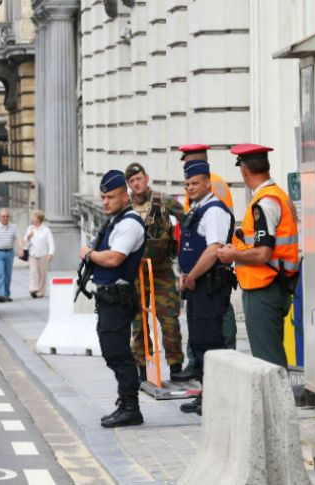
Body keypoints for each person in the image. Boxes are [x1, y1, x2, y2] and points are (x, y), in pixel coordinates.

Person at [217, 144, 299, 370]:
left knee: (268, 363)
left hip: (264, 288)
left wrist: (233, 254)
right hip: (273, 285)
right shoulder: (278, 195)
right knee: (270, 357)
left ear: (244, 170)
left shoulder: (264, 202)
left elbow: (263, 252)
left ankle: (279, 396)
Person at [79, 170, 147, 428]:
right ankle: (126, 404)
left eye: (110, 197)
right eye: (103, 197)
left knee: (118, 353)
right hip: (109, 297)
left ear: (125, 196)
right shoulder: (116, 221)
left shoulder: (129, 223)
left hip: (118, 297)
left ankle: (131, 408)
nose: (105, 202)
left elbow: (114, 258)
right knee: (113, 351)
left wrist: (89, 254)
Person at [171, 144, 238, 383]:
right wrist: (184, 275)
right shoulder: (196, 207)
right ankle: (204, 392)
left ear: (207, 183)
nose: (190, 188)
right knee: (199, 340)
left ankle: (215, 391)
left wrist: (191, 276)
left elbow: (213, 250)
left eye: (195, 183)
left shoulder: (214, 209)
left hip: (209, 284)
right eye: (187, 184)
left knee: (211, 341)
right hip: (196, 284)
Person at [124, 162, 186, 382]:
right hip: (135, 273)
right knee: (138, 322)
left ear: (146, 178)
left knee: (169, 319)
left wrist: (187, 257)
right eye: (132, 181)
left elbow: (187, 221)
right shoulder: (125, 207)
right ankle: (142, 367)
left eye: (139, 178)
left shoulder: (163, 201)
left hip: (162, 270)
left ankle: (176, 367)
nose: (136, 183)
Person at [0, 209, 23, 303]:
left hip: (9, 253)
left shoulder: (14, 227)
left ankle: (6, 295)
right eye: (3, 216)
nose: (5, 218)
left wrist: (21, 249)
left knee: (8, 276)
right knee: (0, 274)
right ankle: (1, 295)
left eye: (7, 216)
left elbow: (19, 238)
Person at [24, 210, 55, 298]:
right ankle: (33, 289)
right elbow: (25, 240)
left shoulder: (46, 230)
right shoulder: (30, 228)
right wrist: (28, 237)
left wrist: (51, 253)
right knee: (33, 272)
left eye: (34, 217)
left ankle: (40, 292)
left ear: (39, 219)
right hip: (33, 254)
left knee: (42, 274)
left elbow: (51, 242)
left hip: (43, 254)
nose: (32, 219)